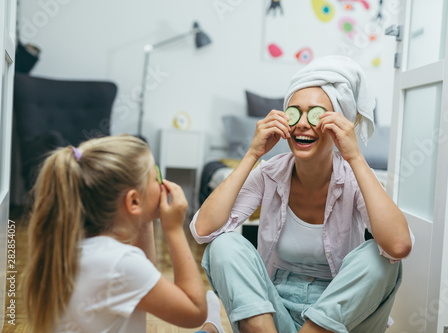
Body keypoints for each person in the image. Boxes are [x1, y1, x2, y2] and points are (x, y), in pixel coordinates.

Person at [189, 55, 414, 333]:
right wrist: (253, 153)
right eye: (295, 112)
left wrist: (355, 157)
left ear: (337, 125)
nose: (303, 123)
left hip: (339, 319)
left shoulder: (354, 179)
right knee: (224, 245)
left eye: (316, 114)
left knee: (382, 259)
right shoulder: (270, 172)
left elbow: (399, 245)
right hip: (273, 315)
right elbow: (203, 230)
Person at [22, 134, 224, 333]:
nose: (163, 184)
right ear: (133, 201)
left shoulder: (69, 244)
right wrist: (173, 229)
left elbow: (145, 275)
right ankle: (212, 329)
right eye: (156, 177)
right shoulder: (120, 263)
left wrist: (144, 217)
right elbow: (195, 311)